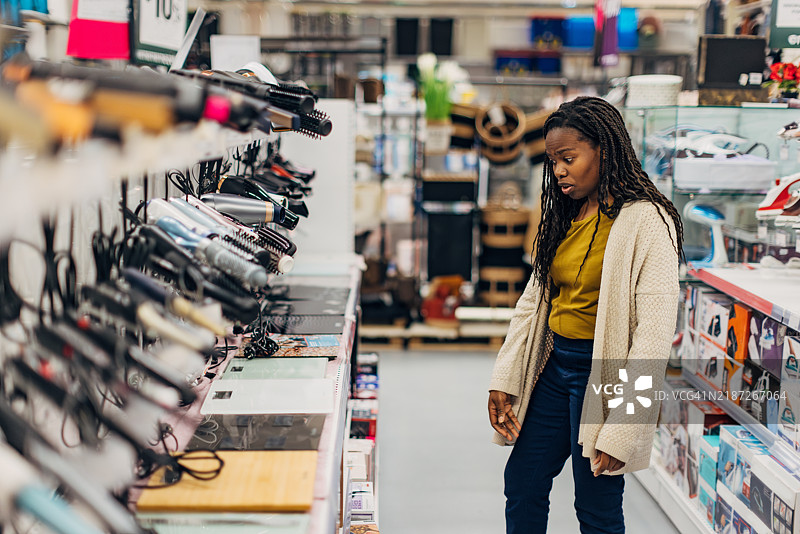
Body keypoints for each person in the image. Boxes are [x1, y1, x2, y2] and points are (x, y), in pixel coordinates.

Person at [487, 96, 683, 533]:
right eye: (553, 160)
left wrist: (624, 425)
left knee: (595, 503)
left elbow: (652, 334)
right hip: (556, 370)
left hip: (606, 374)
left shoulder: (648, 221)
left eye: (569, 158)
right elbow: (532, 304)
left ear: (605, 151)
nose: (558, 170)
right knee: (523, 480)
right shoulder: (565, 215)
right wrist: (505, 376)